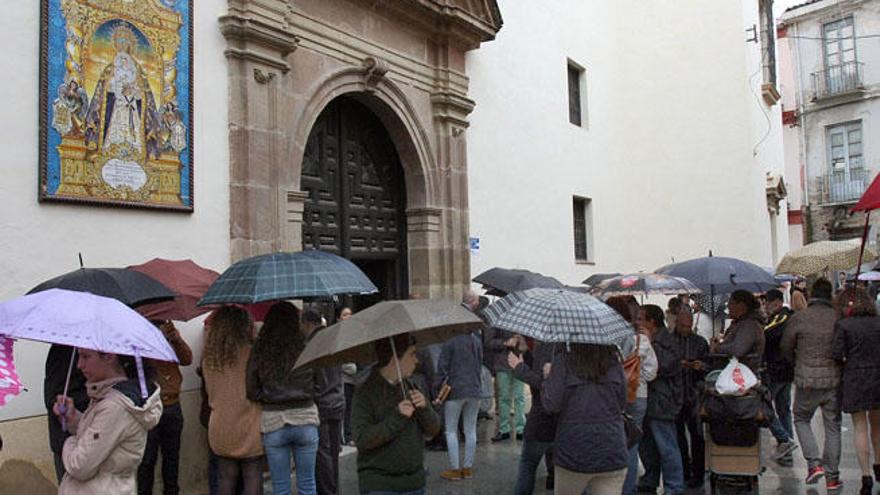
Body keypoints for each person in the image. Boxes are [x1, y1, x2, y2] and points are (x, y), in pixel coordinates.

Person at [52, 349, 162, 494]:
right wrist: (73, 419)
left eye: (85, 356)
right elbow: (103, 437)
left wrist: (69, 442)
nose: (79, 365)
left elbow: (80, 465)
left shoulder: (115, 406)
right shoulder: (107, 396)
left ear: (109, 357)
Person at [351, 333, 441, 494]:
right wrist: (397, 417)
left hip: (415, 483)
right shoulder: (365, 393)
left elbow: (433, 430)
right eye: (412, 354)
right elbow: (363, 439)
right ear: (395, 360)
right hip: (381, 486)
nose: (417, 360)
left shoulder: (411, 386)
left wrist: (425, 408)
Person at [247, 302, 319, 495]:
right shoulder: (305, 347)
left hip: (273, 421)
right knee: (308, 484)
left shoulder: (260, 349)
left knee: (280, 488)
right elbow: (319, 383)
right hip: (305, 418)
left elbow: (251, 390)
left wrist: (269, 397)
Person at [781, 278, 843, 492]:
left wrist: (797, 362)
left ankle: (814, 464)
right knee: (833, 427)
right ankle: (833, 477)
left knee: (800, 418)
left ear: (811, 294)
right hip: (833, 380)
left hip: (806, 379)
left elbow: (786, 347)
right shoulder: (838, 317)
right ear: (830, 295)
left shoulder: (800, 318)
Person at [541, 343, 628, 494]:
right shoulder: (614, 362)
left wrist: (548, 378)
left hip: (573, 450)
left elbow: (551, 404)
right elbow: (622, 402)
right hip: (612, 449)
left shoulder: (563, 362)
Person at [202, 306, 264, 495]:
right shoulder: (253, 354)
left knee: (225, 476)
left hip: (220, 425)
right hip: (249, 422)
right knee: (252, 474)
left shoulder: (210, 359)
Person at [604, 296, 657, 495]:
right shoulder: (640, 339)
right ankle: (629, 490)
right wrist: (636, 377)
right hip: (638, 396)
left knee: (612, 443)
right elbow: (652, 372)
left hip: (612, 396)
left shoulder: (604, 338)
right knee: (632, 444)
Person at [832, 288, 880, 495]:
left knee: (859, 427)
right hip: (878, 377)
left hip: (855, 378)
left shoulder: (843, 325)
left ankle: (865, 475)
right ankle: (879, 465)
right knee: (878, 427)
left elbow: (836, 353)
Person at [138, 320, 193, 495]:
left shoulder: (169, 333)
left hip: (172, 405)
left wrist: (175, 338)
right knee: (147, 461)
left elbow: (187, 359)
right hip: (149, 407)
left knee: (172, 459)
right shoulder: (138, 333)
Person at [637, 305, 685, 495]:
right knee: (646, 445)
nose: (637, 322)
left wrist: (651, 345)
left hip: (662, 401)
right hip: (646, 400)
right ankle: (650, 478)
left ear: (652, 322)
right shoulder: (645, 339)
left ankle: (674, 486)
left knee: (666, 446)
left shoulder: (667, 340)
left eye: (641, 319)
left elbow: (667, 365)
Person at [302, 309, 345, 495]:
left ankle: (328, 491)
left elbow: (315, 379)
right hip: (337, 402)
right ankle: (334, 489)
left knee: (324, 455)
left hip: (322, 405)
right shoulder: (332, 340)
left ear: (307, 323)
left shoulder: (312, 344)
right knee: (333, 453)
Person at [509, 341, 558, 495]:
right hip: (559, 421)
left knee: (528, 465)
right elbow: (539, 373)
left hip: (542, 419)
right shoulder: (560, 345)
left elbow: (543, 385)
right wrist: (527, 353)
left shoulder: (551, 346)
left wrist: (519, 368)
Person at [436, 324, 483, 481]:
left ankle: (455, 469)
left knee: (451, 430)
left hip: (455, 390)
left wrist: (437, 390)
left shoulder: (450, 343)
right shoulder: (477, 341)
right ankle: (467, 468)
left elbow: (441, 369)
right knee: (470, 430)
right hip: (475, 389)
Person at [762, 289, 798, 465]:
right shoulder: (779, 317)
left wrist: (760, 329)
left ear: (777, 302)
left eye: (767, 303)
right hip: (783, 369)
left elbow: (768, 333)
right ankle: (786, 449)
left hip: (778, 370)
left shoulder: (782, 317)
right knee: (783, 409)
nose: (766, 306)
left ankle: (785, 439)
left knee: (765, 407)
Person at [673, 308, 708, 488]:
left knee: (697, 435)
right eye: (682, 325)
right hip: (677, 394)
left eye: (688, 326)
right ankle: (684, 470)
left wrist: (701, 366)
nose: (685, 329)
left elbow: (708, 366)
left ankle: (698, 473)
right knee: (678, 435)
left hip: (694, 393)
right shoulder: (671, 341)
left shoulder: (700, 342)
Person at [44, 344, 89, 483]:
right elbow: (53, 396)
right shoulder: (66, 350)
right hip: (67, 440)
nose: (81, 364)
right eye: (83, 357)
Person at [485, 325, 527, 442]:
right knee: (504, 398)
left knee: (519, 397)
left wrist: (521, 341)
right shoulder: (497, 320)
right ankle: (504, 429)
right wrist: (505, 342)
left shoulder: (519, 317)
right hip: (502, 365)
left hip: (519, 363)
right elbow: (488, 342)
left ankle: (521, 429)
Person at [711, 290, 765, 372]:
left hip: (742, 375)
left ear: (741, 306)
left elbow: (738, 349)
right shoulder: (739, 323)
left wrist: (717, 348)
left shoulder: (749, 325)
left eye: (731, 303)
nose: (728, 306)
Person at [339, 307, 358, 446]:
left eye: (350, 314)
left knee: (353, 407)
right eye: (345, 314)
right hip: (345, 378)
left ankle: (352, 433)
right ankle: (347, 435)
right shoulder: (339, 335)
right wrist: (353, 368)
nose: (348, 317)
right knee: (347, 408)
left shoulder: (355, 334)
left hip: (355, 379)